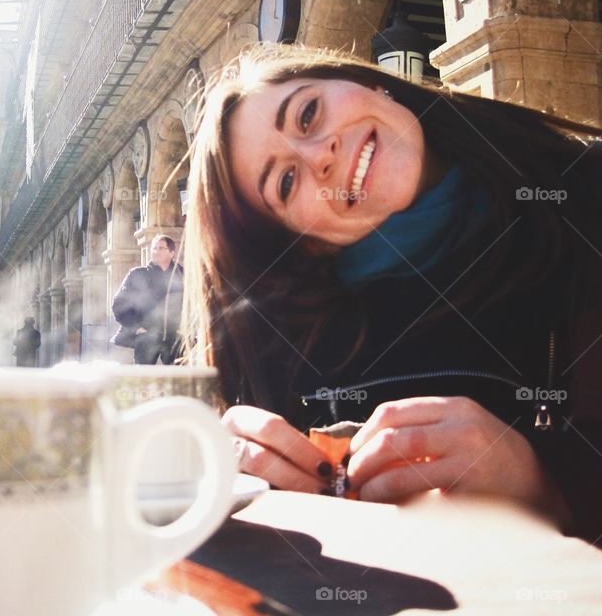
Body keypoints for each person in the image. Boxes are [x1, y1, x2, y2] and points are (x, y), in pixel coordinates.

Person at [181, 44, 602, 543]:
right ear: (306, 244)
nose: (320, 158)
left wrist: (545, 486)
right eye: (287, 182)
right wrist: (226, 475)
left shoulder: (583, 198)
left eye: (309, 113)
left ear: (370, 84)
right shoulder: (293, 351)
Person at [111, 234, 184, 364]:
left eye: (161, 248)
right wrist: (136, 328)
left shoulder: (183, 274)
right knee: (142, 378)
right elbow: (118, 304)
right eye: (154, 248)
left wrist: (185, 328)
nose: (156, 251)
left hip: (175, 337)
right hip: (146, 336)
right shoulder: (137, 274)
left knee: (177, 377)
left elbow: (192, 303)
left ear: (172, 253)